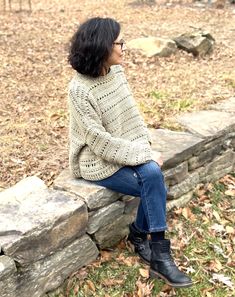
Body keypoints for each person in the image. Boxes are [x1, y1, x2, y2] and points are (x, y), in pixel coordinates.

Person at [67, 17, 192, 288]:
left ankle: (150, 245)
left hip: (123, 150)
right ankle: (147, 243)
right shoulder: (79, 90)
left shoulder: (117, 73)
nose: (123, 47)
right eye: (118, 42)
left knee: (152, 174)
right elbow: (98, 142)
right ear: (101, 47)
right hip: (95, 161)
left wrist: (143, 149)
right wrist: (141, 155)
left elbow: (132, 117)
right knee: (153, 177)